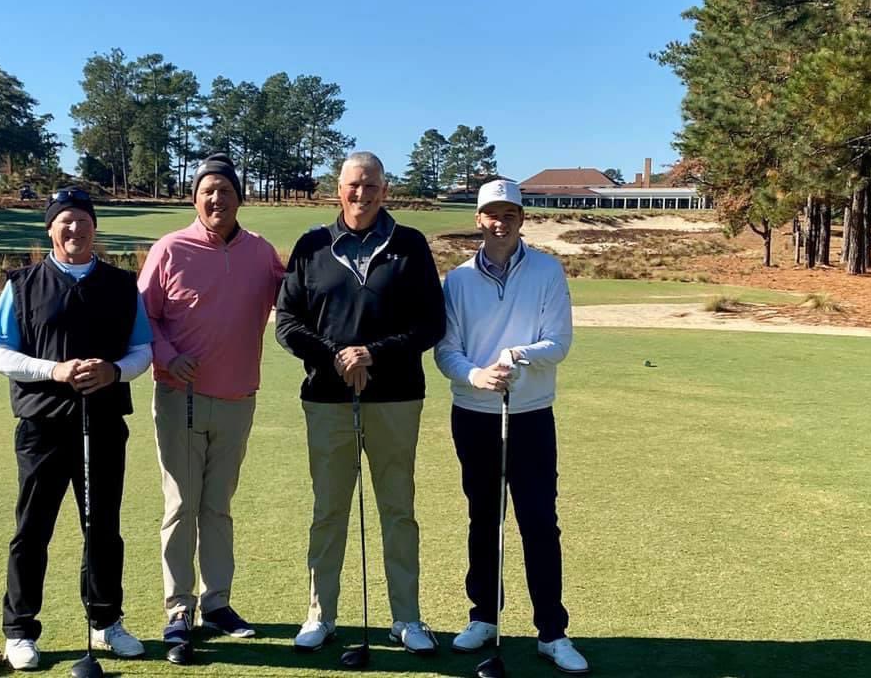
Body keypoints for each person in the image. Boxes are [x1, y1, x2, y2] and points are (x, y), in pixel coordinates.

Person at [276, 151, 446, 654]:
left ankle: (407, 619)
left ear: (384, 190)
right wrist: (336, 357)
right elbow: (288, 323)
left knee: (398, 509)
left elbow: (430, 324)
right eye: (353, 185)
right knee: (329, 509)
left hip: (395, 398)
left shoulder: (410, 245)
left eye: (371, 185)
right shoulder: (311, 246)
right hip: (327, 399)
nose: (361, 193)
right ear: (339, 189)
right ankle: (320, 614)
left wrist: (372, 353)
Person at [0, 187, 153, 670]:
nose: (74, 229)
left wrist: (114, 372)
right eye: (64, 221)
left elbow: (143, 349)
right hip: (42, 425)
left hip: (102, 424)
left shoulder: (123, 285)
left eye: (82, 220)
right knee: (32, 529)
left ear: (94, 227)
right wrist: (54, 371)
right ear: (50, 229)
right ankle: (20, 630)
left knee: (103, 528)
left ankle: (106, 622)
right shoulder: (23, 283)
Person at [434, 179, 589, 674]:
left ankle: (551, 631)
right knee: (484, 520)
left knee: (540, 522)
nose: (501, 223)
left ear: (523, 220)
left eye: (510, 215)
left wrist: (516, 355)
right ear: (479, 220)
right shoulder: (456, 281)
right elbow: (446, 350)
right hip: (474, 414)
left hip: (530, 415)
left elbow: (559, 342)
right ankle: (483, 617)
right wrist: (475, 374)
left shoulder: (547, 270)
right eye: (492, 215)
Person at [137, 153, 284, 650]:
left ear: (240, 198)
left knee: (218, 507)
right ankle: (179, 609)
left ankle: (216, 602)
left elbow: (297, 300)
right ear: (194, 198)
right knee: (181, 505)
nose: (216, 198)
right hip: (182, 397)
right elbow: (144, 318)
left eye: (225, 190)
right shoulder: (170, 249)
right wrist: (167, 355)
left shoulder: (261, 253)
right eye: (207, 191)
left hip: (239, 398)